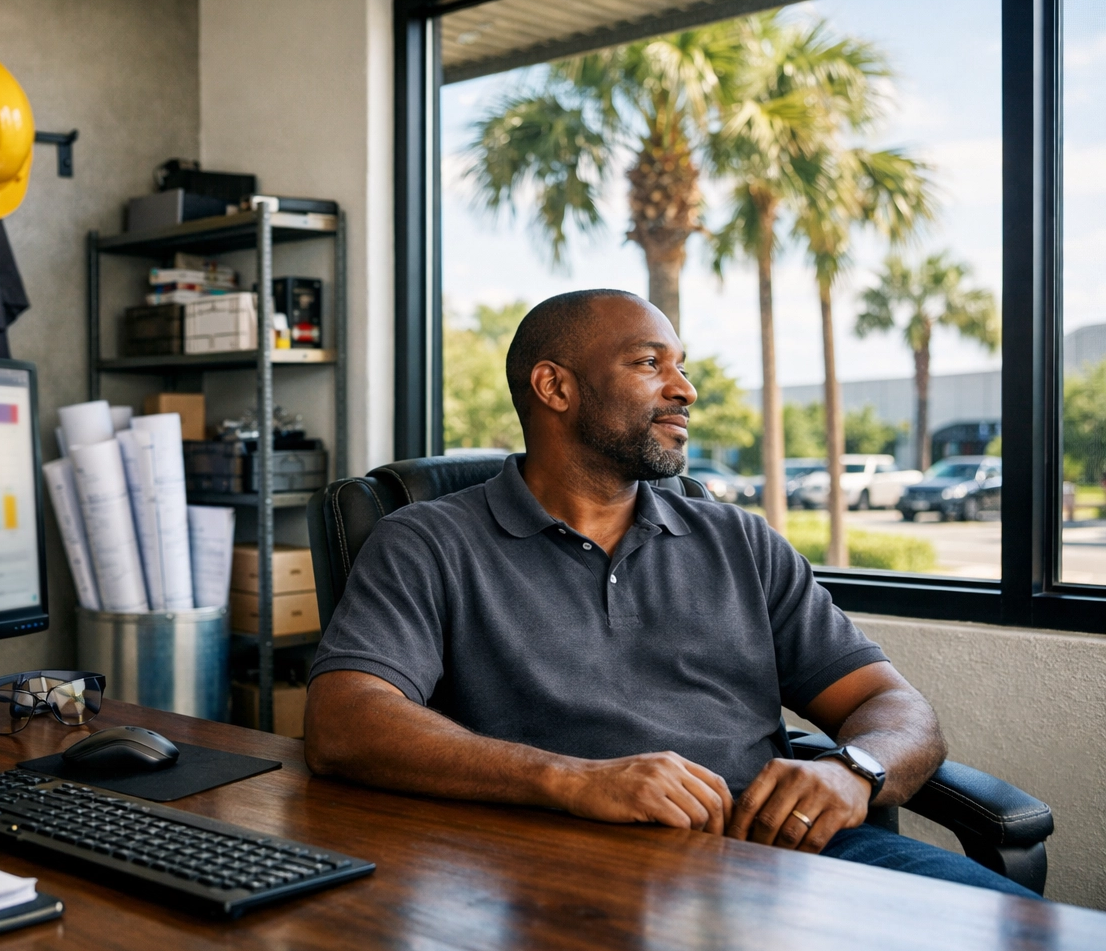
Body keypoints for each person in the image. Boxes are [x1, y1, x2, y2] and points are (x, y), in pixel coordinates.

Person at [304, 289, 1038, 899]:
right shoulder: (427, 541)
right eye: (649, 363)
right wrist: (572, 780)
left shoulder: (740, 542)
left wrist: (855, 772)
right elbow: (345, 722)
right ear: (555, 387)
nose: (684, 389)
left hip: (781, 867)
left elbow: (899, 711)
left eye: (679, 366)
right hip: (555, 873)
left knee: (1029, 950)